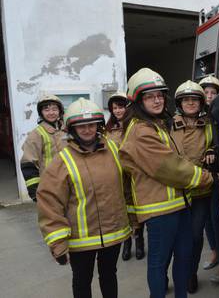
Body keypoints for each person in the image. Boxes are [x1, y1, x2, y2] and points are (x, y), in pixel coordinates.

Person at [118, 68, 213, 298]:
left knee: (184, 255)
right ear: (138, 101)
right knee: (159, 263)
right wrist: (205, 178)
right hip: (159, 211)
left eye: (160, 95)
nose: (157, 100)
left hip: (179, 205)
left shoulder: (156, 124)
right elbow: (170, 167)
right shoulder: (141, 131)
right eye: (150, 96)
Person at [37, 98, 131, 298]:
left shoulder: (114, 149)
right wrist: (58, 243)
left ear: (98, 125)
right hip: (81, 239)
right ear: (72, 128)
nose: (87, 130)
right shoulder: (62, 160)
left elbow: (128, 186)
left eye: (91, 125)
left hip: (113, 232)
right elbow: (50, 203)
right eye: (81, 126)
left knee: (109, 275)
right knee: (82, 280)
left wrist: (134, 218)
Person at [169, 80, 216, 293]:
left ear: (201, 103)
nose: (190, 103)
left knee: (196, 237)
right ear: (180, 103)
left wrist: (212, 150)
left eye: (194, 100)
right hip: (175, 192)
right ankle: (168, 274)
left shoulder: (209, 123)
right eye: (186, 100)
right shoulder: (168, 125)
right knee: (174, 238)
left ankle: (190, 273)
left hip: (201, 191)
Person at [105, 92, 146, 261]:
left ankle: (140, 241)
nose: (117, 111)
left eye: (120, 106)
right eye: (114, 108)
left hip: (136, 175)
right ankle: (127, 242)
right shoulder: (107, 130)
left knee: (138, 207)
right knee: (123, 208)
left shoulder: (136, 125)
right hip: (118, 177)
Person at [199, 76, 219, 284]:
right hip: (201, 175)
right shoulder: (195, 115)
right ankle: (214, 252)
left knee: (218, 218)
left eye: (213, 93)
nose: (209, 96)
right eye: (206, 93)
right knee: (207, 220)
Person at [20, 94, 67, 201]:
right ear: (41, 112)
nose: (51, 113)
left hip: (69, 181)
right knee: (52, 216)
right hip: (49, 185)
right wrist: (34, 191)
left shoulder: (67, 130)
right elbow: (28, 164)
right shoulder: (36, 134)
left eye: (54, 109)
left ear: (60, 111)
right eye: (46, 109)